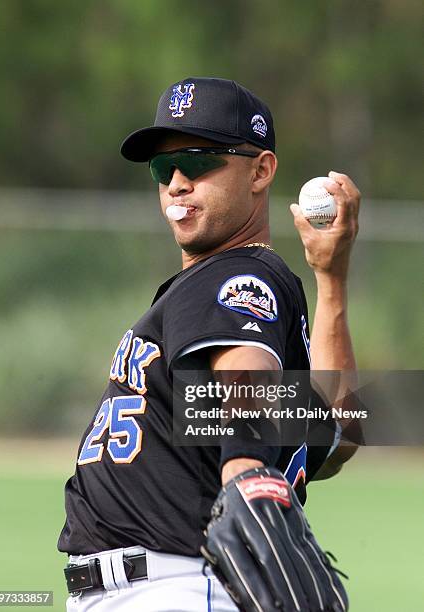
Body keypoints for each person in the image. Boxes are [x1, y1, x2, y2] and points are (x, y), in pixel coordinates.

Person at [58, 77, 360, 611]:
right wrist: (331, 280)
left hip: (170, 588)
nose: (176, 182)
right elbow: (337, 436)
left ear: (261, 171)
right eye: (162, 168)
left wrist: (244, 470)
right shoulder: (250, 283)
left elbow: (244, 378)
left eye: (197, 161)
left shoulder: (233, 274)